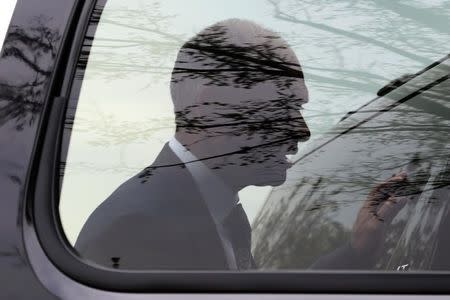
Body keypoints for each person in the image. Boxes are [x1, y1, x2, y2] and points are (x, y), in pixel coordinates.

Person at [75, 19, 407, 270]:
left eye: (298, 108)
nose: (303, 131)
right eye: (283, 107)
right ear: (210, 109)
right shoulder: (136, 230)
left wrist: (357, 251)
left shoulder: (209, 210)